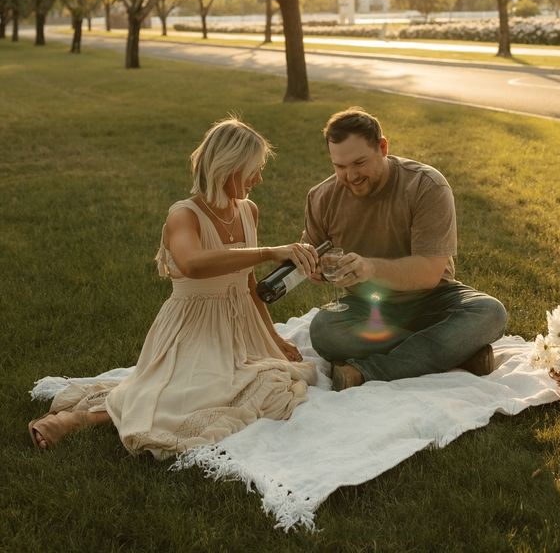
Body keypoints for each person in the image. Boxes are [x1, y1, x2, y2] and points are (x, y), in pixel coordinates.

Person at [28, 117, 320, 455]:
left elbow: (249, 284)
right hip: (192, 326)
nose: (260, 178)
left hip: (242, 327)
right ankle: (76, 420)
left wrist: (274, 338)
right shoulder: (184, 215)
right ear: (228, 166)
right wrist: (270, 251)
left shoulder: (248, 211)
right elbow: (192, 264)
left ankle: (112, 406)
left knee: (270, 381)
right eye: (253, 169)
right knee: (186, 397)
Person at [304, 108, 508, 391]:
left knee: (490, 312)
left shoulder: (426, 185)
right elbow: (310, 253)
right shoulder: (321, 197)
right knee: (324, 330)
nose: (350, 175)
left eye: (359, 162)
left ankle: (367, 372)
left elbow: (428, 273)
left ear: (383, 147)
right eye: (339, 166)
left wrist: (369, 268)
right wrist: (313, 268)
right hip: (367, 307)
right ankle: (458, 352)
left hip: (434, 299)